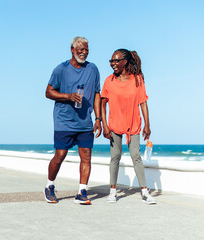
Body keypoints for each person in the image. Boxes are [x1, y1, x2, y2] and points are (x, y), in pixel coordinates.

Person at [44, 36, 102, 205]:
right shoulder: (61, 69)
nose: (83, 53)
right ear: (72, 50)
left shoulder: (93, 69)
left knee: (86, 157)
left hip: (85, 122)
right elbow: (48, 92)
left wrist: (98, 118)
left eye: (86, 50)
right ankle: (49, 186)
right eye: (80, 50)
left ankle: (82, 191)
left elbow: (97, 93)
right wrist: (68, 96)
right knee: (60, 155)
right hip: (64, 120)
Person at [101, 49, 156, 204]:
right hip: (114, 125)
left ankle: (145, 192)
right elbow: (102, 104)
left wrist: (147, 124)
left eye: (116, 61)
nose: (113, 64)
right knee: (115, 157)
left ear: (125, 61)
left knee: (136, 156)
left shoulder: (137, 80)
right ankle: (113, 192)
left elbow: (143, 102)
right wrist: (104, 125)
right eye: (111, 61)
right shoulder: (109, 81)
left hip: (134, 124)